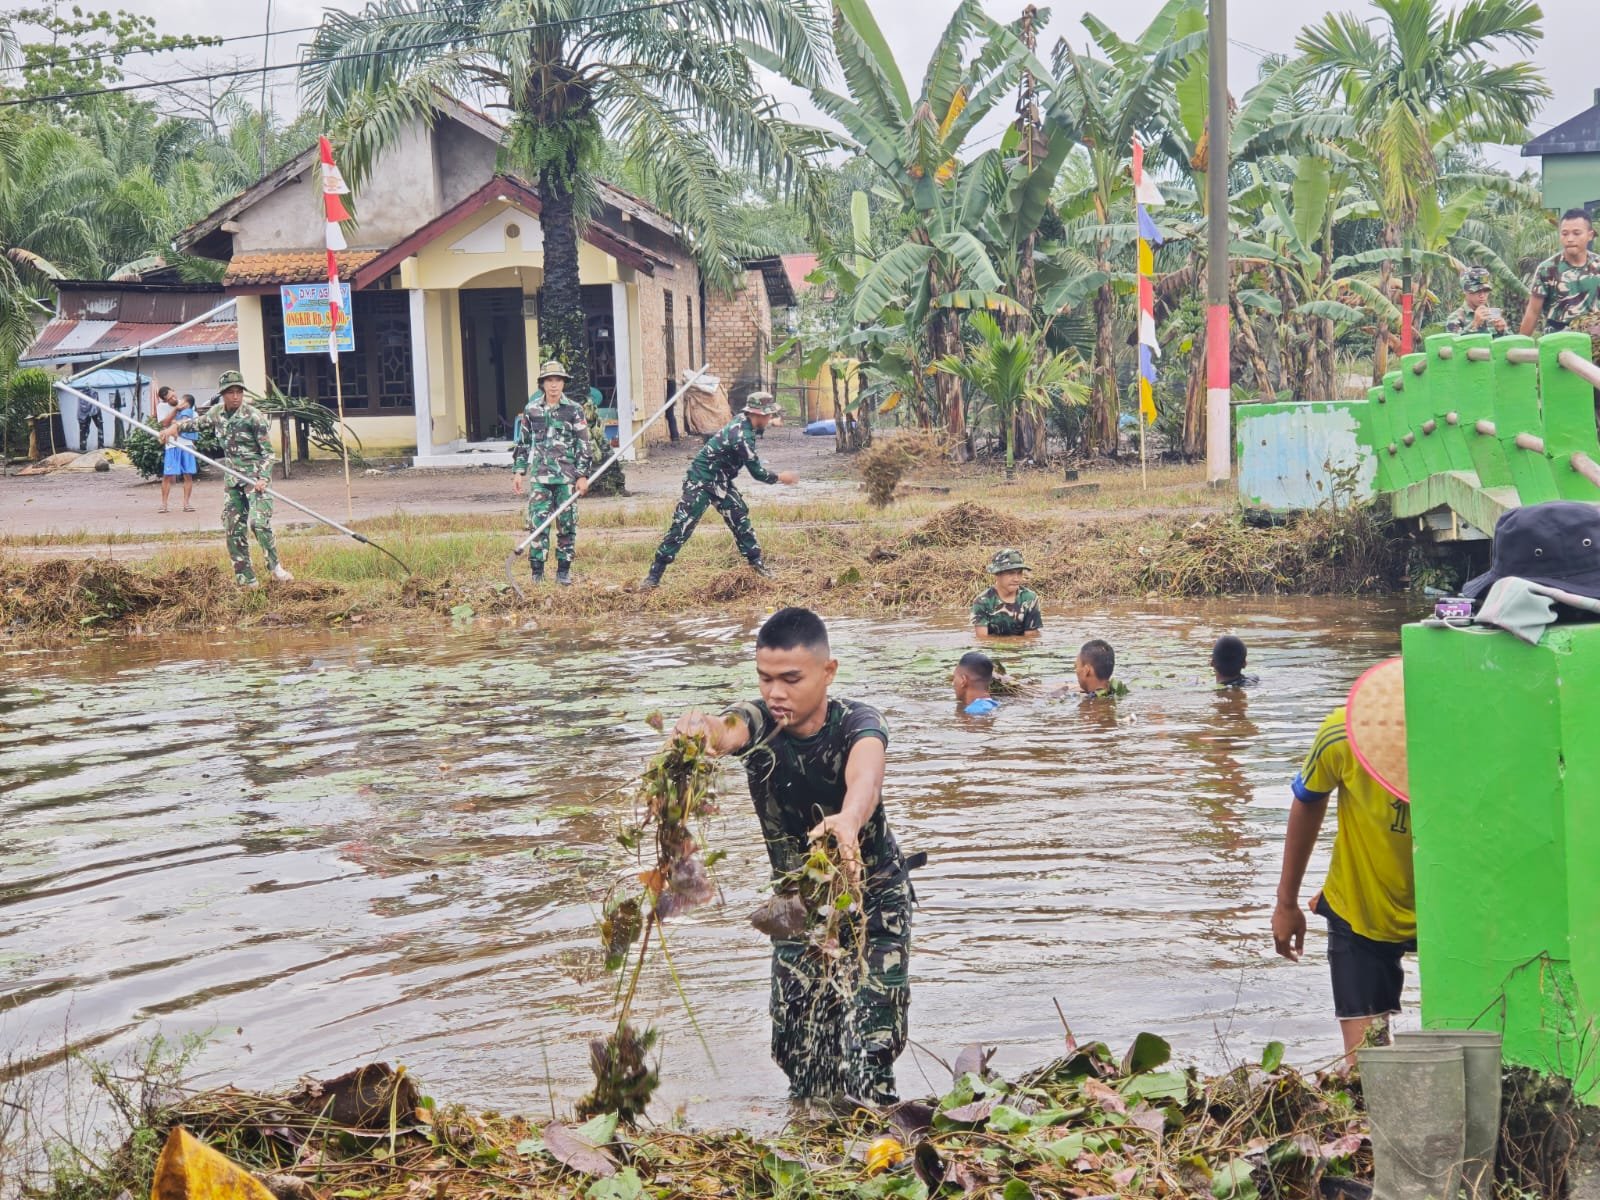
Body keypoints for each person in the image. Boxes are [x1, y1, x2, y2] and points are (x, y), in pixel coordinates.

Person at [671, 607, 910, 1103]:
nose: (775, 692)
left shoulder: (858, 722)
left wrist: (848, 819)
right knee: (797, 1050)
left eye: (791, 679)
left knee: (869, 1045)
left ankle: (878, 1132)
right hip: (797, 905)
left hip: (873, 898)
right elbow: (727, 730)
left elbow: (866, 775)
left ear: (828, 672)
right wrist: (700, 729)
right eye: (765, 678)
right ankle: (810, 1135)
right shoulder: (760, 722)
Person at [1272, 659, 1414, 1059]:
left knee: (1466, 1051)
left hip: (1452, 913)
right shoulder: (1344, 732)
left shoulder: (1478, 742)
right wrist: (1286, 903)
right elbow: (1308, 800)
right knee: (1366, 1066)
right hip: (1360, 907)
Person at [641, 393, 798, 588]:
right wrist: (781, 477)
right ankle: (653, 576)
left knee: (740, 518)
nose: (769, 418)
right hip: (701, 480)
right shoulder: (741, 436)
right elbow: (758, 473)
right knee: (682, 526)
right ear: (758, 414)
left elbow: (754, 429)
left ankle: (757, 564)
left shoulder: (744, 420)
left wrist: (772, 422)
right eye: (768, 415)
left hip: (721, 480)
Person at [161, 370, 292, 587]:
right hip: (233, 480)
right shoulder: (217, 413)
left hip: (255, 480)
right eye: (230, 392)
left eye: (239, 391)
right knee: (233, 528)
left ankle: (275, 568)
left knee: (258, 524)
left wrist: (263, 478)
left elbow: (269, 453)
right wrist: (174, 428)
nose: (235, 396)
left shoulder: (253, 416)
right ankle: (246, 579)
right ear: (223, 394)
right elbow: (196, 424)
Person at [511, 360, 593, 586]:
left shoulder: (574, 410)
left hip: (567, 479)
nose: (554, 385)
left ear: (564, 383)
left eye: (558, 380)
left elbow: (584, 444)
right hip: (540, 478)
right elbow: (523, 443)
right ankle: (537, 573)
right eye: (549, 380)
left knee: (567, 525)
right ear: (543, 384)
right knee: (537, 526)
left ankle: (563, 572)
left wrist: (582, 475)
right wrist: (519, 471)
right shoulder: (532, 410)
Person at [1519, 209, 1600, 336]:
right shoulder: (1547, 269)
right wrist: (1520, 343)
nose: (1570, 239)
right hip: (1558, 340)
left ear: (1590, 235)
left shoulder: (1598, 265)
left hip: (1594, 340)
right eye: (1564, 234)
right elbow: (1533, 312)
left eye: (1576, 233)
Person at [971, 549, 1042, 638]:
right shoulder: (982, 601)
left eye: (1019, 573)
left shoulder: (1029, 598)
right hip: (994, 647)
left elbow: (1031, 638)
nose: (1016, 579)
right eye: (1010, 573)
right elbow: (982, 639)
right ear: (997, 574)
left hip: (1021, 647)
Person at [160, 393, 199, 513]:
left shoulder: (194, 414)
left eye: (182, 401)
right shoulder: (173, 411)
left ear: (187, 403)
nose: (179, 402)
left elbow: (190, 427)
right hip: (172, 446)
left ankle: (186, 504)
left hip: (186, 446)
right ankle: (164, 505)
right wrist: (175, 410)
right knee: (167, 475)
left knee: (188, 475)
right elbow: (165, 423)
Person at [1443, 267, 1509, 337]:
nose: (1482, 295)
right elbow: (1454, 343)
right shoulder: (1455, 318)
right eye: (1477, 291)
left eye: (1486, 290)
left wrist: (1502, 331)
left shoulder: (1492, 315)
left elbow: (1509, 342)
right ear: (1465, 292)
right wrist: (1474, 326)